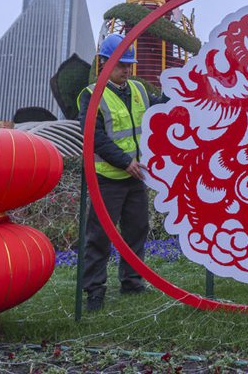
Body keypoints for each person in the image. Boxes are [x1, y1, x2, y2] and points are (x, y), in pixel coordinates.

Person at [77, 33, 167, 312]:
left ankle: (131, 281)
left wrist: (173, 89)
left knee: (137, 229)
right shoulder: (92, 95)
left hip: (135, 177)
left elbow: (158, 111)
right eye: (121, 65)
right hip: (108, 178)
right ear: (105, 63)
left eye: (129, 65)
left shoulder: (138, 90)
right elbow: (95, 137)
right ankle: (94, 290)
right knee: (100, 236)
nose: (127, 70)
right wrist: (124, 161)